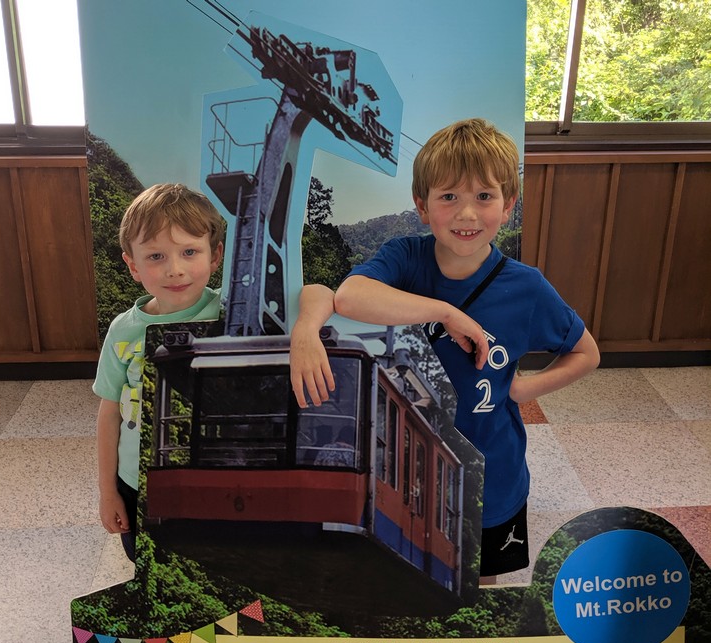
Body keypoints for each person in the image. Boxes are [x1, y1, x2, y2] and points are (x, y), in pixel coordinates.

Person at [290, 118, 600, 583]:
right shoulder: (405, 257)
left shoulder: (528, 288)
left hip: (492, 468)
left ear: (509, 204)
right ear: (422, 206)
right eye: (449, 197)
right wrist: (446, 313)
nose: (467, 215)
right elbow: (351, 296)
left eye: (484, 197)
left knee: (480, 584)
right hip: (407, 471)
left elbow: (586, 353)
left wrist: (522, 390)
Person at [93, 183, 224, 561]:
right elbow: (108, 412)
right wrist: (108, 491)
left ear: (214, 256)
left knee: (216, 579)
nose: (175, 269)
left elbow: (312, 294)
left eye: (189, 251)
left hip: (212, 482)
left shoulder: (232, 311)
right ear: (132, 265)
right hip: (139, 481)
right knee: (148, 566)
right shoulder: (123, 330)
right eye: (155, 256)